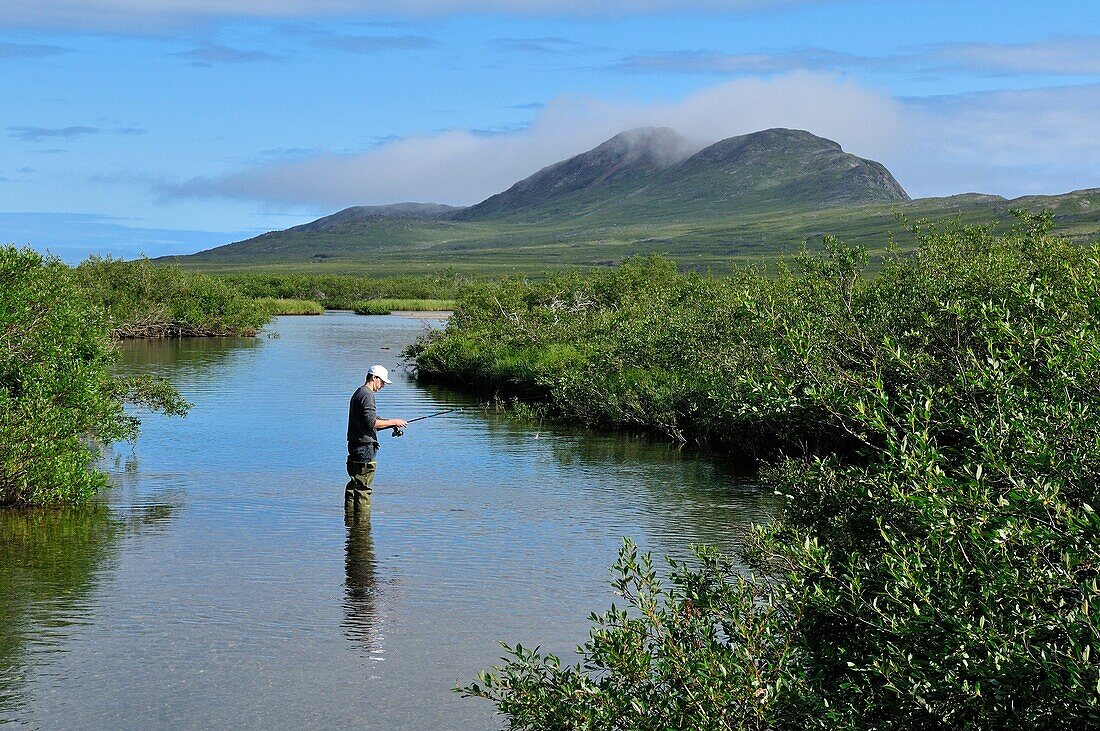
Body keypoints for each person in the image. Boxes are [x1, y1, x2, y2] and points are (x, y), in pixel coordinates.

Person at [346, 365, 407, 514]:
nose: (383, 385)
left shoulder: (359, 393)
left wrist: (390, 424)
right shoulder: (367, 395)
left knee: (354, 485)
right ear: (374, 378)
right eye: (382, 382)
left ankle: (350, 522)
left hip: (355, 445)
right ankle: (363, 527)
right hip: (365, 448)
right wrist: (393, 422)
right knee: (363, 489)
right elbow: (372, 423)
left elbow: (370, 422)